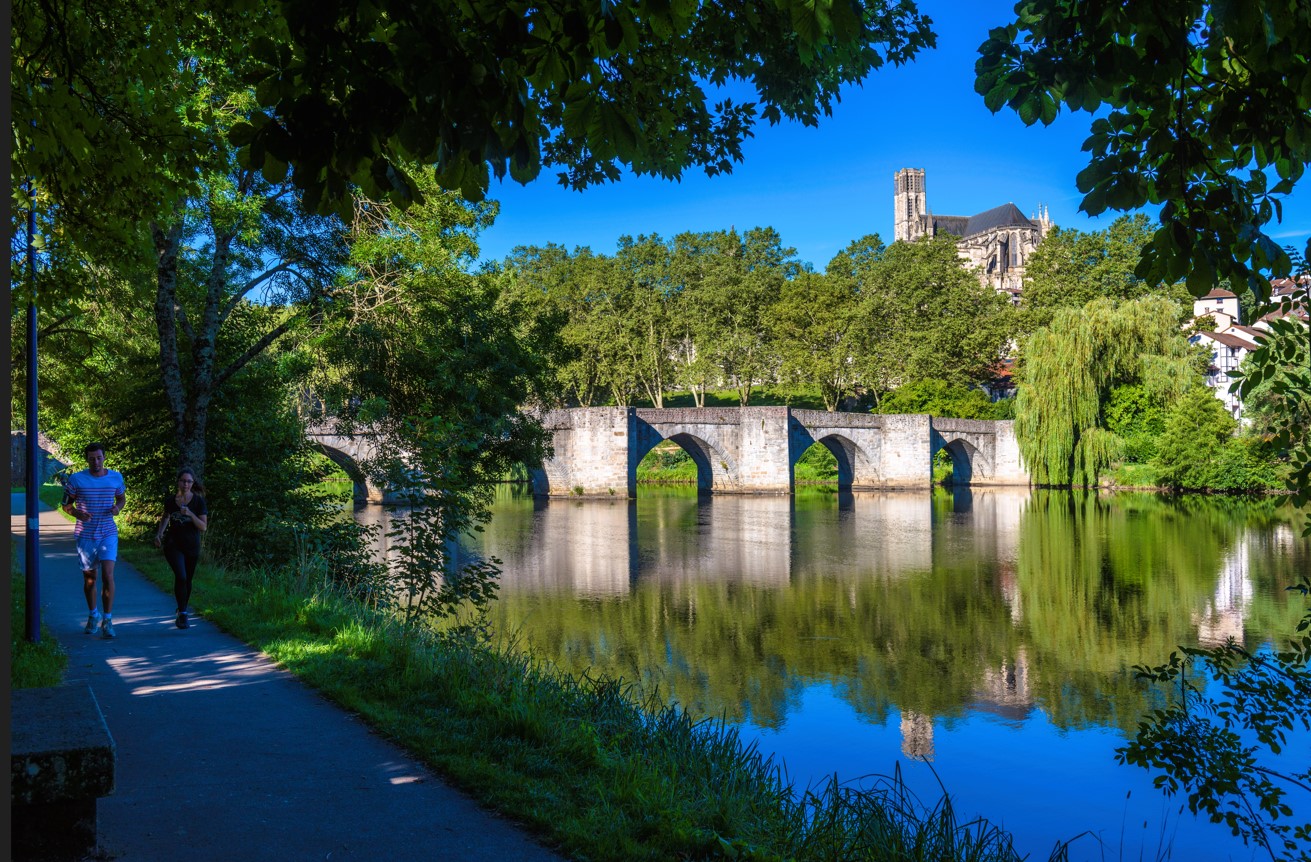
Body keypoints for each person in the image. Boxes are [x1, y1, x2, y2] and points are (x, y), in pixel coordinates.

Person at [62, 442, 126, 639]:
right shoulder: (77, 479)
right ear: (87, 459)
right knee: (90, 580)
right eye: (91, 459)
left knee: (108, 575)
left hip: (108, 532)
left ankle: (107, 620)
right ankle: (93, 615)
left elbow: (121, 499)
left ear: (104, 457)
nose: (95, 462)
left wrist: (118, 508)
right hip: (86, 535)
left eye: (99, 458)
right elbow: (65, 504)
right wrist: (77, 514)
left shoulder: (115, 477)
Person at [154, 468, 208, 629]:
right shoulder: (171, 501)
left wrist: (190, 514)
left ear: (193, 483)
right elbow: (165, 517)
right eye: (183, 480)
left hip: (191, 545)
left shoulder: (198, 502)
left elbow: (203, 527)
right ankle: (183, 614)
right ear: (178, 481)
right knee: (181, 576)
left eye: (189, 481)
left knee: (188, 580)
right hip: (173, 544)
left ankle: (181, 608)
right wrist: (159, 534)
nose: (186, 484)